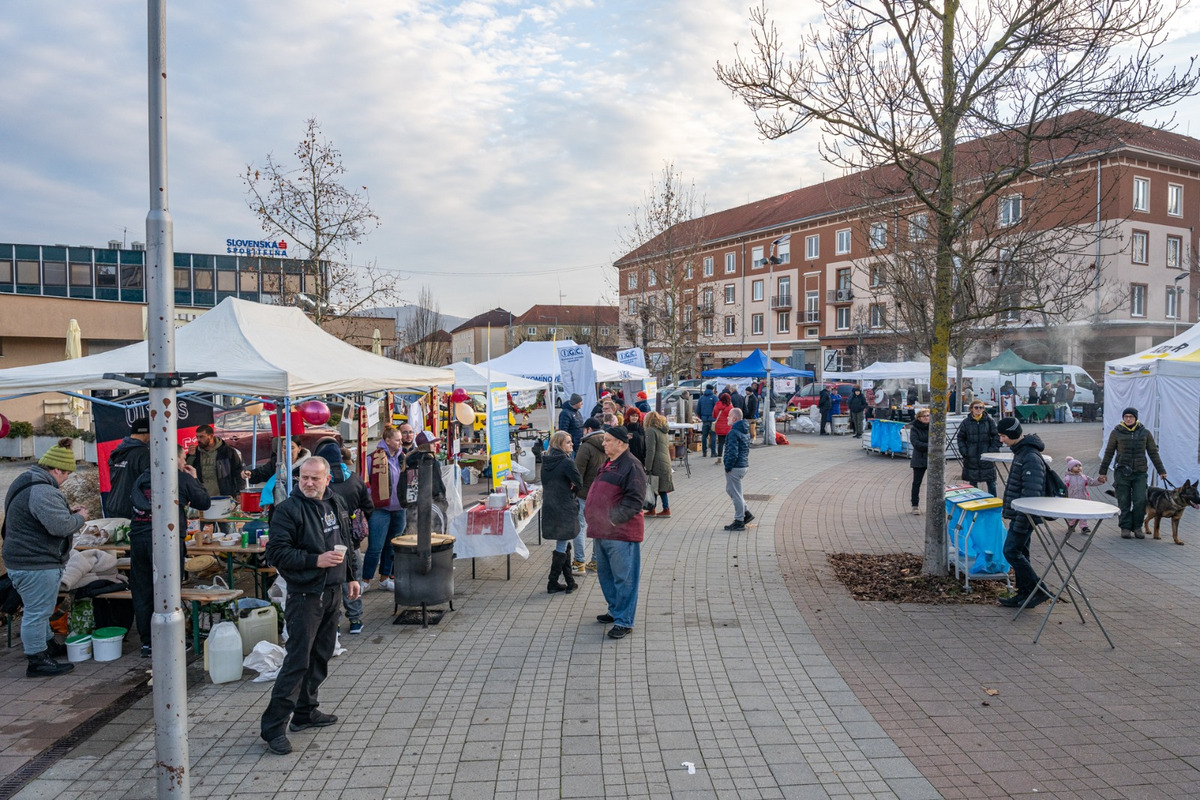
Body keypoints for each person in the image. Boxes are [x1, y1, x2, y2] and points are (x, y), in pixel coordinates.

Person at [260, 457, 361, 755]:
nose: (308, 483)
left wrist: (351, 577)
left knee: (321, 656)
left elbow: (346, 541)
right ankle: (273, 728)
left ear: (327, 479)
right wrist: (314, 560)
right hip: (305, 595)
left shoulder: (336, 502)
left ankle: (305, 713)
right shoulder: (287, 510)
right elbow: (276, 553)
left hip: (332, 592)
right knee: (297, 662)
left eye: (315, 478)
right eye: (304, 477)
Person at [1, 439, 88, 677]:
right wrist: (80, 517)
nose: (67, 478)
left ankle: (47, 645)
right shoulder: (43, 490)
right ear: (56, 469)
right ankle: (37, 660)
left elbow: (36, 516)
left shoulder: (26, 480)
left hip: (24, 559)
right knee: (37, 612)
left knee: (39, 609)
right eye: (66, 473)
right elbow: (60, 527)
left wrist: (66, 511)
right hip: (35, 562)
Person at [129, 445, 211, 657]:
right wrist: (194, 478)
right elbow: (204, 502)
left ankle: (148, 643)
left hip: (138, 539)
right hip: (167, 540)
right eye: (184, 459)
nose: (185, 463)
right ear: (175, 459)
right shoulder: (180, 477)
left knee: (143, 591)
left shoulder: (143, 478)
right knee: (168, 591)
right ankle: (170, 641)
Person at [584, 426, 646, 640]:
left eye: (608, 440)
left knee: (624, 578)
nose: (604, 444)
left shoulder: (632, 466)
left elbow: (634, 501)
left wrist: (612, 519)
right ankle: (615, 611)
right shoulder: (608, 463)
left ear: (621, 443)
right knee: (606, 576)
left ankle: (624, 621)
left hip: (621, 534)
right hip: (602, 532)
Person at [317, 441, 372, 634]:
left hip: (327, 541)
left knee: (332, 583)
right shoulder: (355, 479)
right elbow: (369, 506)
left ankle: (336, 623)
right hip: (352, 542)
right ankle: (355, 620)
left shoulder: (322, 483)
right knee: (352, 579)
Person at [995, 417, 1050, 609]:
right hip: (1021, 513)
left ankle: (1038, 589)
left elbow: (1031, 494)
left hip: (1025, 515)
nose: (1001, 440)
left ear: (1011, 435)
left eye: (1003, 436)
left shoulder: (1030, 457)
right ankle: (1025, 593)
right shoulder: (1021, 452)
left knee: (1010, 551)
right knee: (1021, 552)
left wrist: (1021, 519)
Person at [1096, 407, 1168, 539]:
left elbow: (1153, 452)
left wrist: (1161, 470)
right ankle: (1125, 527)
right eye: (1126, 416)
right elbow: (1109, 453)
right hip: (1122, 473)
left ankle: (1137, 526)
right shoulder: (1116, 432)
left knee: (1141, 500)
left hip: (1140, 473)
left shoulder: (1145, 433)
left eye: (1131, 416)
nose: (1128, 419)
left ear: (1136, 418)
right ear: (1123, 418)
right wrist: (1103, 472)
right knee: (1124, 501)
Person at [365, 423, 416, 590]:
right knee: (375, 547)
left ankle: (384, 578)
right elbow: (365, 483)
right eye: (397, 440)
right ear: (387, 440)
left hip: (399, 508)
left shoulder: (401, 456)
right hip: (380, 509)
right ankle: (365, 580)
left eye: (401, 440)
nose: (401, 443)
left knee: (392, 545)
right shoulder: (373, 458)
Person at [540, 431, 582, 594]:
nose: (571, 445)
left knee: (563, 542)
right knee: (563, 543)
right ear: (560, 445)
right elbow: (579, 482)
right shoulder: (566, 462)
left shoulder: (546, 460)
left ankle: (569, 582)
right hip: (565, 506)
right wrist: (572, 486)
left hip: (551, 505)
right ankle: (553, 581)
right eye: (568, 442)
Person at [572, 417, 607, 574]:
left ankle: (579, 561)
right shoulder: (609, 443)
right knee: (598, 528)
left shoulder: (586, 447)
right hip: (603, 493)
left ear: (589, 430)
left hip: (585, 493)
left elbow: (577, 472)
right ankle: (596, 561)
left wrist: (574, 490)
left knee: (579, 527)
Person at [105, 416, 150, 517]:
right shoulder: (144, 454)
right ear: (145, 433)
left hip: (113, 505)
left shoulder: (118, 451)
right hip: (131, 509)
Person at [187, 423, 245, 500]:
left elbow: (238, 471)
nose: (198, 440)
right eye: (197, 437)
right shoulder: (195, 453)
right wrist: (191, 456)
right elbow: (187, 472)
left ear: (211, 436)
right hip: (203, 496)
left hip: (224, 495)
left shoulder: (227, 451)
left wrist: (239, 492)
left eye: (201, 437)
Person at [956, 400, 1000, 496]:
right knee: (973, 485)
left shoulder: (989, 421)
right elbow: (960, 438)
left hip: (987, 456)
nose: (979, 409)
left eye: (981, 407)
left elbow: (997, 436)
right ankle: (975, 503)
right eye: (976, 407)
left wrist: (992, 450)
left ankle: (994, 504)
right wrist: (964, 451)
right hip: (971, 456)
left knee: (991, 483)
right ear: (971, 409)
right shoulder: (966, 422)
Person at [722, 409, 754, 531]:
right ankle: (746, 513)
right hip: (743, 465)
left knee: (735, 494)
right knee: (731, 490)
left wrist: (728, 467)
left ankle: (739, 520)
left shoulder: (733, 432)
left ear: (734, 418)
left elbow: (732, 453)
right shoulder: (744, 430)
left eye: (729, 416)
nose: (727, 418)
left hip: (735, 467)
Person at [642, 411, 675, 517]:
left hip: (657, 462)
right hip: (665, 460)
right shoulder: (663, 431)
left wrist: (648, 466)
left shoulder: (651, 431)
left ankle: (657, 509)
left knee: (653, 486)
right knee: (661, 487)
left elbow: (650, 450)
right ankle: (662, 508)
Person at [1063, 457, 1096, 535]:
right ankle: (1071, 525)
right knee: (1072, 513)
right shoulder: (1067, 478)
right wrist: (1061, 495)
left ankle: (1084, 527)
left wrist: (1099, 480)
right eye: (1076, 466)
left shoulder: (1084, 477)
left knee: (1083, 512)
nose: (1078, 467)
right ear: (1070, 468)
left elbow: (1092, 482)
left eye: (1079, 465)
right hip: (1071, 499)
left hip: (1083, 499)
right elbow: (1062, 487)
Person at [908, 407, 930, 515]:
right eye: (924, 416)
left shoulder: (934, 427)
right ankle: (915, 505)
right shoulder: (915, 428)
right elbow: (915, 443)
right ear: (919, 418)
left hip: (932, 458)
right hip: (919, 458)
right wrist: (930, 446)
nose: (927, 418)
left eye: (928, 415)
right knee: (917, 482)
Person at [696, 384, 718, 458]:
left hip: (704, 419)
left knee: (704, 436)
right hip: (713, 420)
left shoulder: (701, 398)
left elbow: (698, 409)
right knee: (713, 436)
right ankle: (713, 452)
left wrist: (701, 417)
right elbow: (717, 408)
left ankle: (704, 452)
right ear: (712, 389)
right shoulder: (714, 397)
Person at [713, 392, 734, 459]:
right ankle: (727, 456)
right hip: (728, 426)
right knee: (728, 443)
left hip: (719, 426)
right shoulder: (730, 406)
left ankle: (719, 457)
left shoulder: (717, 405)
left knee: (720, 443)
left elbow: (714, 415)